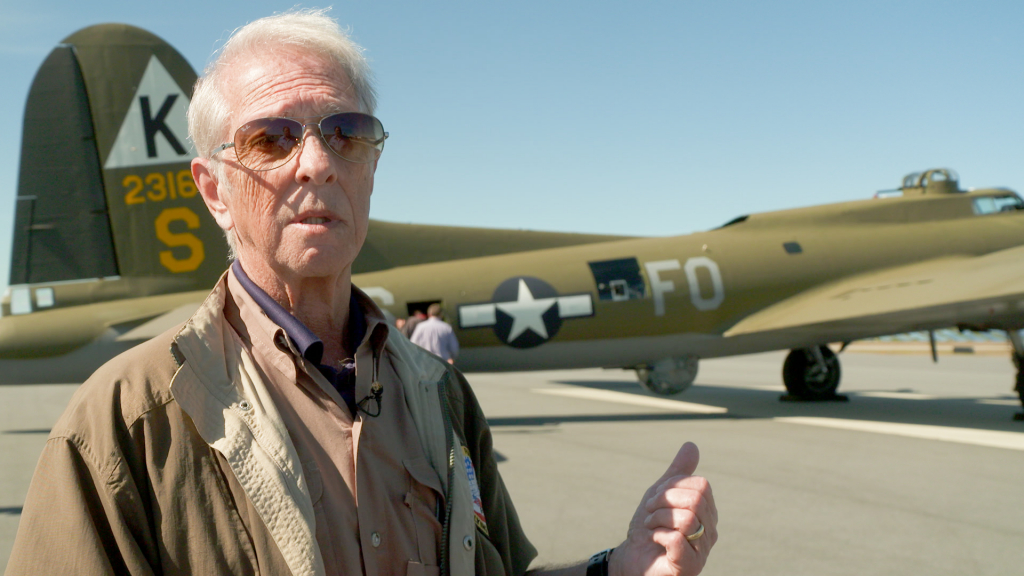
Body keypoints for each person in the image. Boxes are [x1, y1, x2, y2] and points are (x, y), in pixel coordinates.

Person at [7, 9, 717, 576]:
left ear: (372, 165)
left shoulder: (439, 392)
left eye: (346, 133)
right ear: (212, 189)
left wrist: (619, 570)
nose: (317, 162)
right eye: (269, 139)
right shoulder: (123, 418)